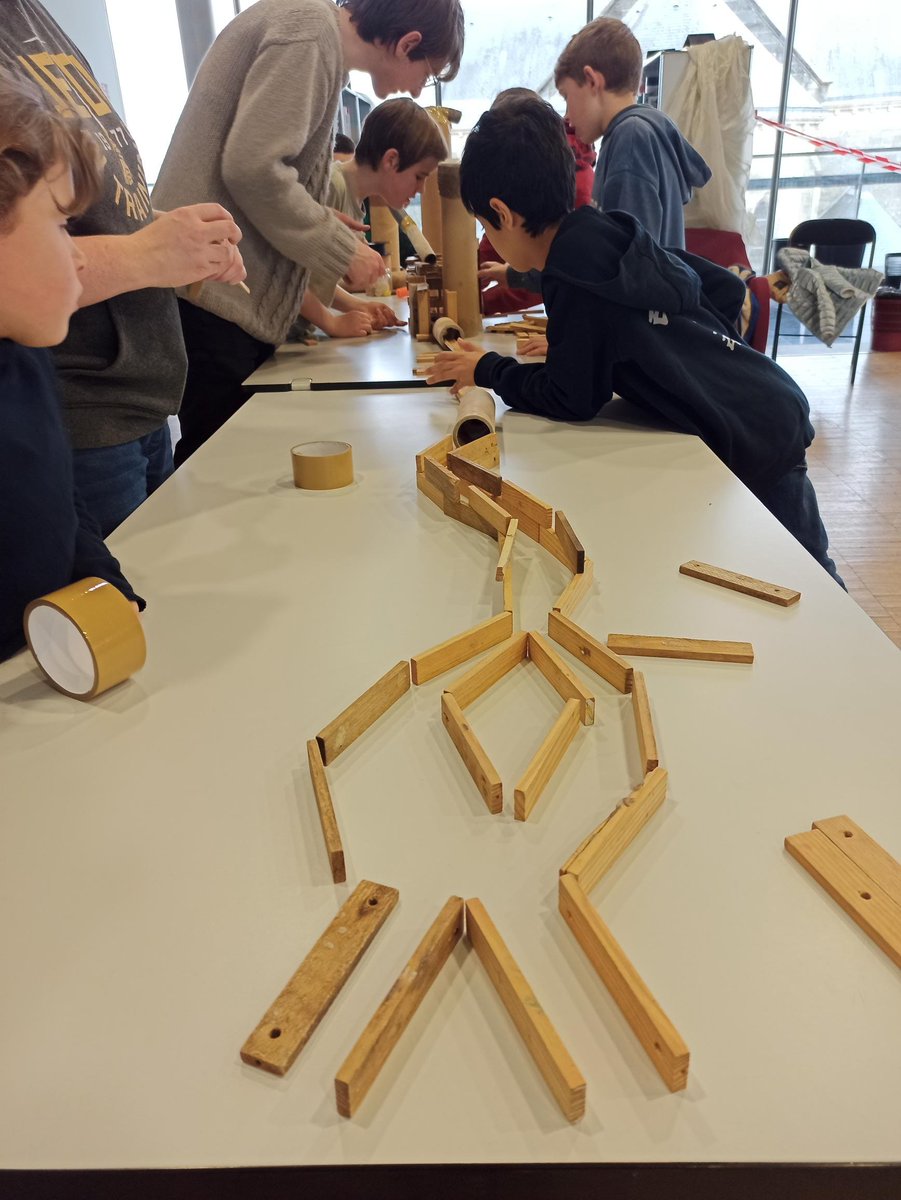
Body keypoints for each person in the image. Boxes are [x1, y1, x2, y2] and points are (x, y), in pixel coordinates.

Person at [427, 99, 842, 584]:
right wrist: (693, 361)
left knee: (815, 585)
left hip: (754, 437)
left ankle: (866, 660)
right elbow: (723, 289)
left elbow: (571, 398)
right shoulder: (610, 230)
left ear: (502, 212)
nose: (488, 237)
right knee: (803, 570)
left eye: (484, 226)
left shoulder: (571, 277)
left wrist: (486, 371)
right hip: (766, 399)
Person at [152, 0, 465, 465]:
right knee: (218, 466)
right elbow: (254, 169)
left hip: (221, 291)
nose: (419, 90)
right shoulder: (309, 33)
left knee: (233, 463)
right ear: (408, 44)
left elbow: (263, 174)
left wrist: (318, 219)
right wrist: (340, 249)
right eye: (429, 74)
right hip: (212, 295)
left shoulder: (318, 43)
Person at [0, 1, 247, 537]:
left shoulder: (33, 17)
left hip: (142, 392)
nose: (74, 247)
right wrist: (145, 254)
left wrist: (169, 236)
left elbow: (80, 207)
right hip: (84, 404)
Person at [0, 71, 145, 661]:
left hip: (50, 664)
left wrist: (105, 583)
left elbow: (65, 501)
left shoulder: (28, 356)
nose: (80, 255)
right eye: (63, 224)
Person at [556, 17, 710, 250]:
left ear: (591, 81)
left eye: (567, 97)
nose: (567, 116)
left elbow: (629, 270)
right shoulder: (644, 130)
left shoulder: (631, 140)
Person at [299, 97, 448, 339]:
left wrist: (356, 306)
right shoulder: (332, 187)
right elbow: (289, 277)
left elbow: (314, 280)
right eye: (419, 177)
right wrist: (332, 324)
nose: (421, 190)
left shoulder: (355, 201)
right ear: (391, 160)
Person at [477, 88, 595, 316]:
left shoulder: (574, 183)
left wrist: (484, 303)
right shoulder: (520, 171)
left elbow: (548, 265)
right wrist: (470, 280)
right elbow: (498, 234)